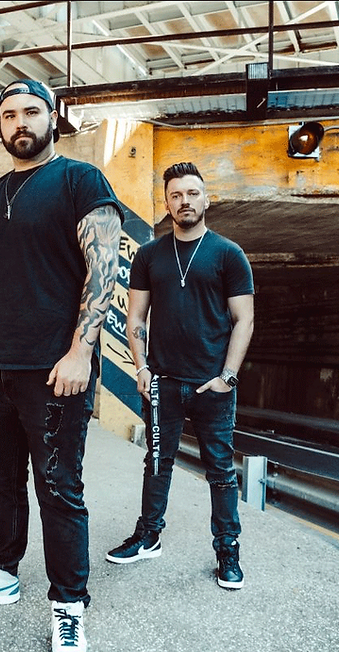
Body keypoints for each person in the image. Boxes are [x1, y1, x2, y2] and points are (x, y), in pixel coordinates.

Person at [0, 79, 122, 652]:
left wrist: (81, 350)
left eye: (32, 111)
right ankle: (0, 572)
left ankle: (68, 604)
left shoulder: (80, 180)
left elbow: (104, 268)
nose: (20, 122)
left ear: (53, 118)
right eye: (9, 113)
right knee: (0, 478)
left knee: (59, 486)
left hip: (53, 365)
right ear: (0, 124)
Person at [105, 162, 255, 590]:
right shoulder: (150, 255)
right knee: (157, 463)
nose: (184, 201)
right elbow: (136, 316)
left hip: (213, 386)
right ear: (166, 202)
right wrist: (141, 367)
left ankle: (228, 550)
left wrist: (228, 376)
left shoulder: (228, 254)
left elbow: (243, 320)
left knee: (221, 470)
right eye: (175, 195)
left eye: (192, 193)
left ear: (206, 199)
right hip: (163, 383)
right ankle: (148, 534)